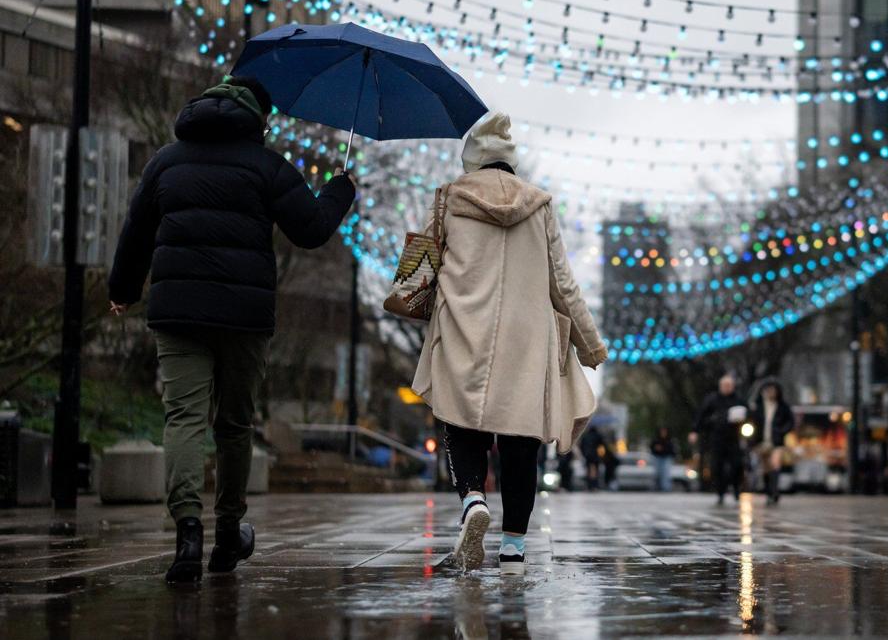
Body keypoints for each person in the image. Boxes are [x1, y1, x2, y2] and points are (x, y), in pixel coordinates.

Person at [108, 77, 357, 583]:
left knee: (183, 419)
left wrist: (124, 288)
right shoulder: (266, 166)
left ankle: (187, 532)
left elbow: (136, 228)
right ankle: (227, 532)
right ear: (257, 119)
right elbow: (309, 229)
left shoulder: (165, 160)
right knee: (234, 424)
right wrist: (340, 188)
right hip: (244, 316)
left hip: (177, 311)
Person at [411, 112, 607, 576]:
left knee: (461, 422)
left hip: (464, 330)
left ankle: (473, 500)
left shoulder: (448, 199)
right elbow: (562, 283)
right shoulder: (539, 205)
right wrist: (589, 344)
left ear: (471, 158)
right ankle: (514, 549)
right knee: (520, 444)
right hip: (527, 339)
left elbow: (417, 273)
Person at [690, 374, 748, 505]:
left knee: (737, 465)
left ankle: (736, 489)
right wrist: (695, 431)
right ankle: (720, 492)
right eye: (724, 385)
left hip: (734, 437)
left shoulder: (738, 399)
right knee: (717, 466)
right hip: (717, 437)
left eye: (729, 385)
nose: (727, 388)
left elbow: (749, 415)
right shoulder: (712, 400)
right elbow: (700, 416)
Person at [750, 380, 795, 505]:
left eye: (772, 390)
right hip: (761, 441)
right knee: (765, 468)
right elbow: (750, 423)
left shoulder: (783, 406)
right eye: (767, 390)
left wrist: (782, 431)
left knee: (775, 463)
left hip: (776, 441)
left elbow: (791, 422)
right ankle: (768, 491)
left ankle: (775, 491)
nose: (770, 393)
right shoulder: (757, 407)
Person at [650, 427, 677, 492]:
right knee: (657, 473)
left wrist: (663, 449)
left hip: (666, 458)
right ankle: (657, 487)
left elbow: (672, 450)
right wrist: (656, 449)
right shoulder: (656, 439)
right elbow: (652, 448)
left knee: (666, 473)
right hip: (658, 458)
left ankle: (666, 488)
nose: (663, 433)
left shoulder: (669, 440)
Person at [580, 425, 606, 491]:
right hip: (595, 456)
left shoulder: (585, 436)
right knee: (595, 471)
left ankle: (588, 485)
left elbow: (581, 446)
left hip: (587, 456)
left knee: (588, 470)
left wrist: (584, 454)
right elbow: (602, 445)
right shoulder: (598, 436)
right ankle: (594, 485)